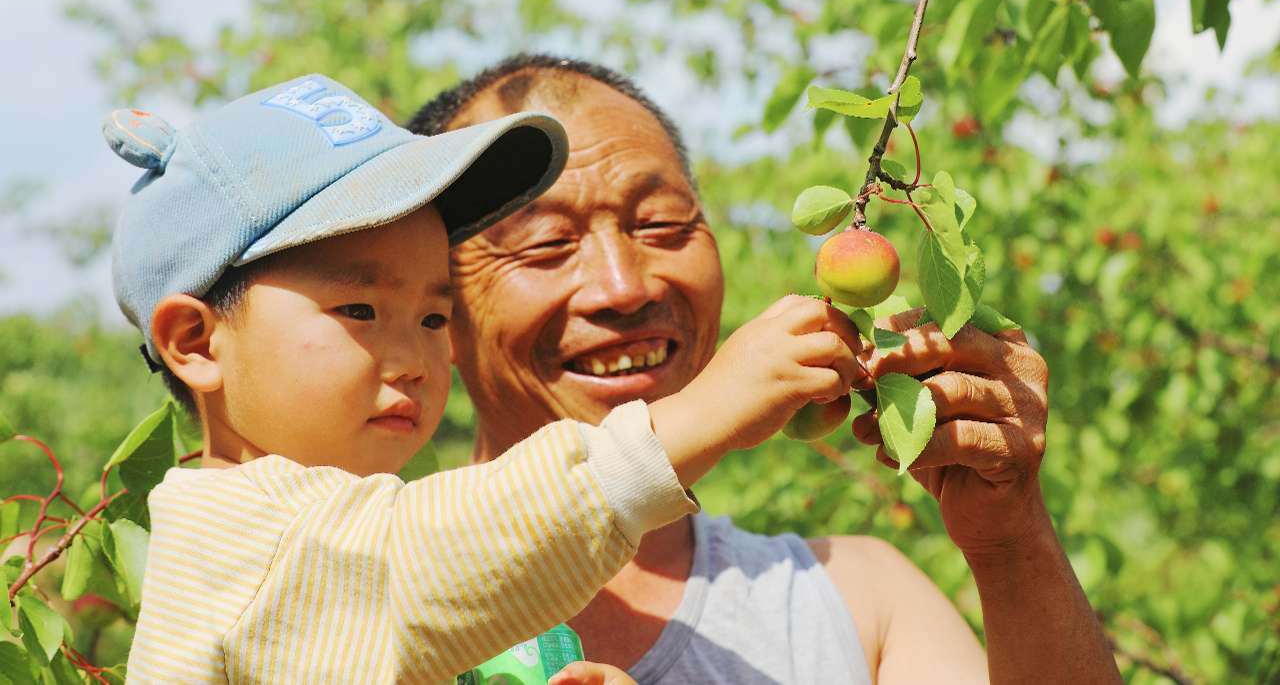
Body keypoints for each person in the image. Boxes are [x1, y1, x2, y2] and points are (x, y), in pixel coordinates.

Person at [107, 74, 864, 683]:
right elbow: (435, 551)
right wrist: (706, 411)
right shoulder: (240, 537)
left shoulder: (329, 550)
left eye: (436, 318)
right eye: (360, 307)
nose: (414, 356)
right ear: (195, 340)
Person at [410, 54, 1123, 684]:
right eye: (545, 245)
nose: (625, 286)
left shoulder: (854, 600)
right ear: (430, 311)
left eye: (661, 224)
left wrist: (1010, 539)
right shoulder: (358, 570)